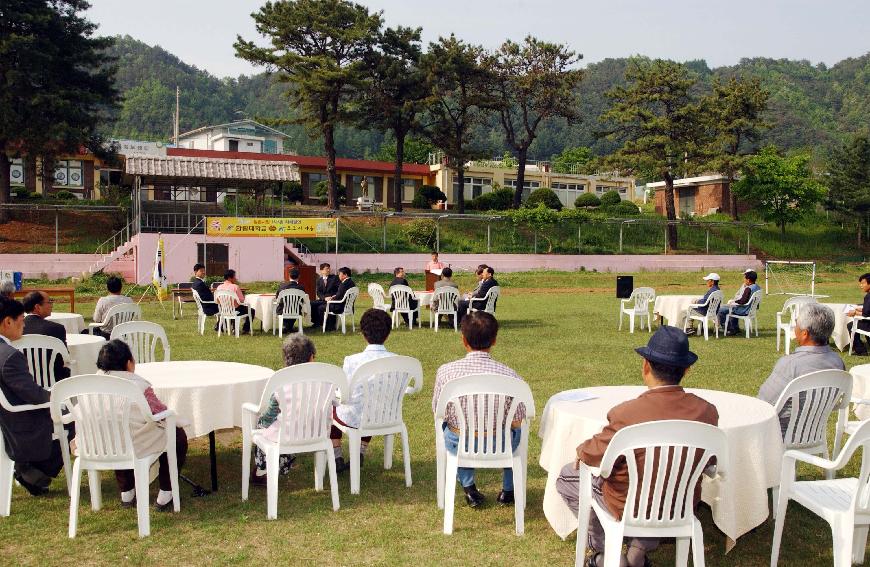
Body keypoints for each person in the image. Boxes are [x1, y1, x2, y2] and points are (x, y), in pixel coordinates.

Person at [555, 326, 719, 567]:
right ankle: (637, 555)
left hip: (628, 503)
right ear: (686, 369)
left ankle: (604, 554)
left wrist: (581, 449)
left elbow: (592, 456)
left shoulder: (626, 414)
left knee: (567, 477)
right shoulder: (707, 412)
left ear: (645, 366)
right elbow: (710, 462)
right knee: (659, 487)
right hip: (679, 502)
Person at [432, 311, 527, 508]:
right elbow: (518, 420)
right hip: (501, 444)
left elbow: (438, 411)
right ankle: (508, 490)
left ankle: (469, 488)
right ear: (494, 340)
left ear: (463, 340)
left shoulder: (446, 372)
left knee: (450, 428)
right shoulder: (510, 376)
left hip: (460, 442)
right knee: (517, 430)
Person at [93, 340, 188, 510]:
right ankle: (166, 492)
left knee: (116, 431)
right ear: (129, 363)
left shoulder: (89, 384)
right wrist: (178, 419)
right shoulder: (138, 386)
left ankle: (126, 492)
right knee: (176, 435)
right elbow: (160, 413)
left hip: (96, 443)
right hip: (132, 444)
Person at [0, 297, 70, 496]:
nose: (24, 324)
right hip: (18, 418)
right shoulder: (9, 356)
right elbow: (34, 394)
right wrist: (57, 398)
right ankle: (33, 472)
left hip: (7, 412)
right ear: (8, 322)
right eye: (21, 319)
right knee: (72, 416)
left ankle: (32, 470)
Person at [758, 303, 845, 435]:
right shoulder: (838, 363)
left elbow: (763, 403)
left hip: (779, 434)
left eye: (796, 322)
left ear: (805, 333)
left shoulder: (790, 364)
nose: (795, 326)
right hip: (814, 433)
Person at [330, 309, 396, 472]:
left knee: (333, 407)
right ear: (388, 334)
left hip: (357, 417)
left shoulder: (352, 361)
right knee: (371, 405)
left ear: (363, 334)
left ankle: (337, 455)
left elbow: (343, 390)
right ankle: (360, 451)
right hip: (386, 415)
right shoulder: (397, 360)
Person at [250, 334, 317, 485]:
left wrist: (261, 420)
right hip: (315, 431)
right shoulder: (324, 379)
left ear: (287, 359)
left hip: (288, 434)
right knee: (285, 425)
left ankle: (263, 469)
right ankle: (283, 462)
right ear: (311, 357)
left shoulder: (281, 383)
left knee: (264, 424)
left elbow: (270, 415)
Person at [22, 291, 71, 380]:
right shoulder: (56, 329)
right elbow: (64, 358)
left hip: (23, 380)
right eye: (49, 302)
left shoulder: (16, 329)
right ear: (37, 307)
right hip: (53, 381)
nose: (52, 305)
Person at [718, 270, 762, 336]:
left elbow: (743, 301)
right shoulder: (758, 287)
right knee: (731, 308)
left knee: (721, 310)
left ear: (748, 280)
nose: (744, 280)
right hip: (751, 309)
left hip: (744, 310)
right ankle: (735, 329)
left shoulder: (748, 289)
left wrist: (733, 302)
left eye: (745, 278)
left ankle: (729, 329)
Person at [315, 267, 356, 331]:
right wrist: (335, 296)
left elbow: (339, 296)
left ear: (345, 275)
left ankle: (327, 327)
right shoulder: (352, 283)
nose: (339, 276)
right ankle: (330, 326)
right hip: (348, 307)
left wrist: (331, 299)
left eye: (340, 274)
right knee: (326, 306)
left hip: (340, 307)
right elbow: (341, 294)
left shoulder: (343, 284)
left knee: (320, 308)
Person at [215, 269, 253, 334]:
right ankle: (245, 329)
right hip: (235, 310)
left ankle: (221, 326)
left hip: (224, 310)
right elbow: (241, 300)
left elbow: (217, 301)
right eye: (234, 276)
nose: (236, 278)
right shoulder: (235, 287)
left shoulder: (219, 287)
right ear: (230, 278)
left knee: (234, 309)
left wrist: (225, 304)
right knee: (252, 311)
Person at [275, 267, 307, 333]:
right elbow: (302, 300)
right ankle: (289, 327)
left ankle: (287, 327)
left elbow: (277, 298)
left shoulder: (282, 286)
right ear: (299, 276)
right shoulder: (301, 287)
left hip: (283, 310)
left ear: (289, 275)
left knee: (282, 306)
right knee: (295, 307)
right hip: (296, 310)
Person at [847, 272, 870, 355]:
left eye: (863, 283)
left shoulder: (868, 296)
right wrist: (859, 309)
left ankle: (860, 350)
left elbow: (866, 314)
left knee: (850, 325)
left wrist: (854, 313)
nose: (861, 286)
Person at [311, 263, 339, 327]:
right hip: (323, 299)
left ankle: (322, 323)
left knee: (319, 306)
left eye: (329, 268)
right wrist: (324, 298)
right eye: (327, 269)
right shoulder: (319, 280)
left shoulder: (334, 278)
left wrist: (332, 297)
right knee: (310, 303)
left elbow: (338, 290)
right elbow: (318, 292)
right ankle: (316, 322)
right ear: (321, 270)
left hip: (332, 300)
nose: (329, 270)